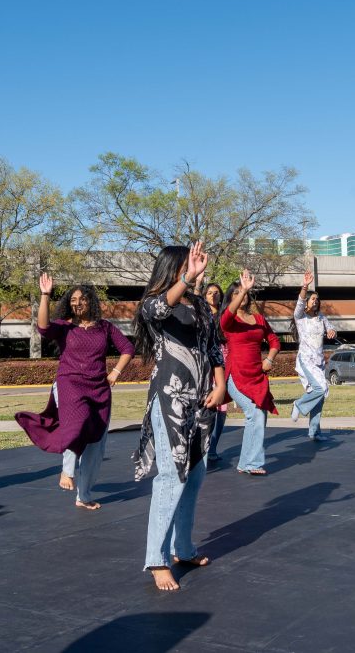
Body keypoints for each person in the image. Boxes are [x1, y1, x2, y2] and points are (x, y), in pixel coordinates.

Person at [132, 242, 225, 591]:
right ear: (173, 267)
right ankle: (156, 559)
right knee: (172, 477)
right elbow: (158, 311)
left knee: (195, 477)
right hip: (170, 399)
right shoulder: (155, 303)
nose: (195, 266)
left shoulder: (200, 305)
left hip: (203, 401)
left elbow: (214, 347)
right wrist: (188, 277)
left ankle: (182, 548)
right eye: (187, 263)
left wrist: (219, 385)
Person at [15, 274, 134, 510]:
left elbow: (127, 348)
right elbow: (43, 327)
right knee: (76, 425)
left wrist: (116, 372)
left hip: (99, 389)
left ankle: (84, 495)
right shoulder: (65, 327)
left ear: (91, 301)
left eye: (81, 299)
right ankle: (66, 472)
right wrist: (45, 295)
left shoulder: (105, 328)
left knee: (96, 444)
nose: (76, 303)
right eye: (73, 299)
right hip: (69, 383)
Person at [220, 270, 280, 475]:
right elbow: (225, 318)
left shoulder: (259, 319)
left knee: (258, 415)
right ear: (231, 298)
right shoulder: (229, 320)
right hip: (236, 375)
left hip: (257, 375)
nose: (242, 296)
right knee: (253, 412)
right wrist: (243, 288)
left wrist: (269, 359)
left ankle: (245, 462)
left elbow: (274, 342)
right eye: (237, 293)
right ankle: (252, 463)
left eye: (244, 293)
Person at [289, 271, 336, 441]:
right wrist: (305, 286)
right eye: (312, 299)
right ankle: (299, 404)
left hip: (319, 361)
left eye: (317, 299)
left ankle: (314, 431)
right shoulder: (300, 317)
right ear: (307, 302)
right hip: (306, 360)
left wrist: (331, 330)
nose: (315, 301)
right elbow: (300, 303)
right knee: (320, 389)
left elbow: (331, 328)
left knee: (320, 396)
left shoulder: (321, 318)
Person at [202, 283, 229, 463]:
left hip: (223, 364)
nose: (213, 296)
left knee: (222, 407)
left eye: (217, 293)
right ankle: (201, 447)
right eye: (210, 293)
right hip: (204, 364)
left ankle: (212, 448)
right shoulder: (200, 314)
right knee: (206, 403)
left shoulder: (225, 315)